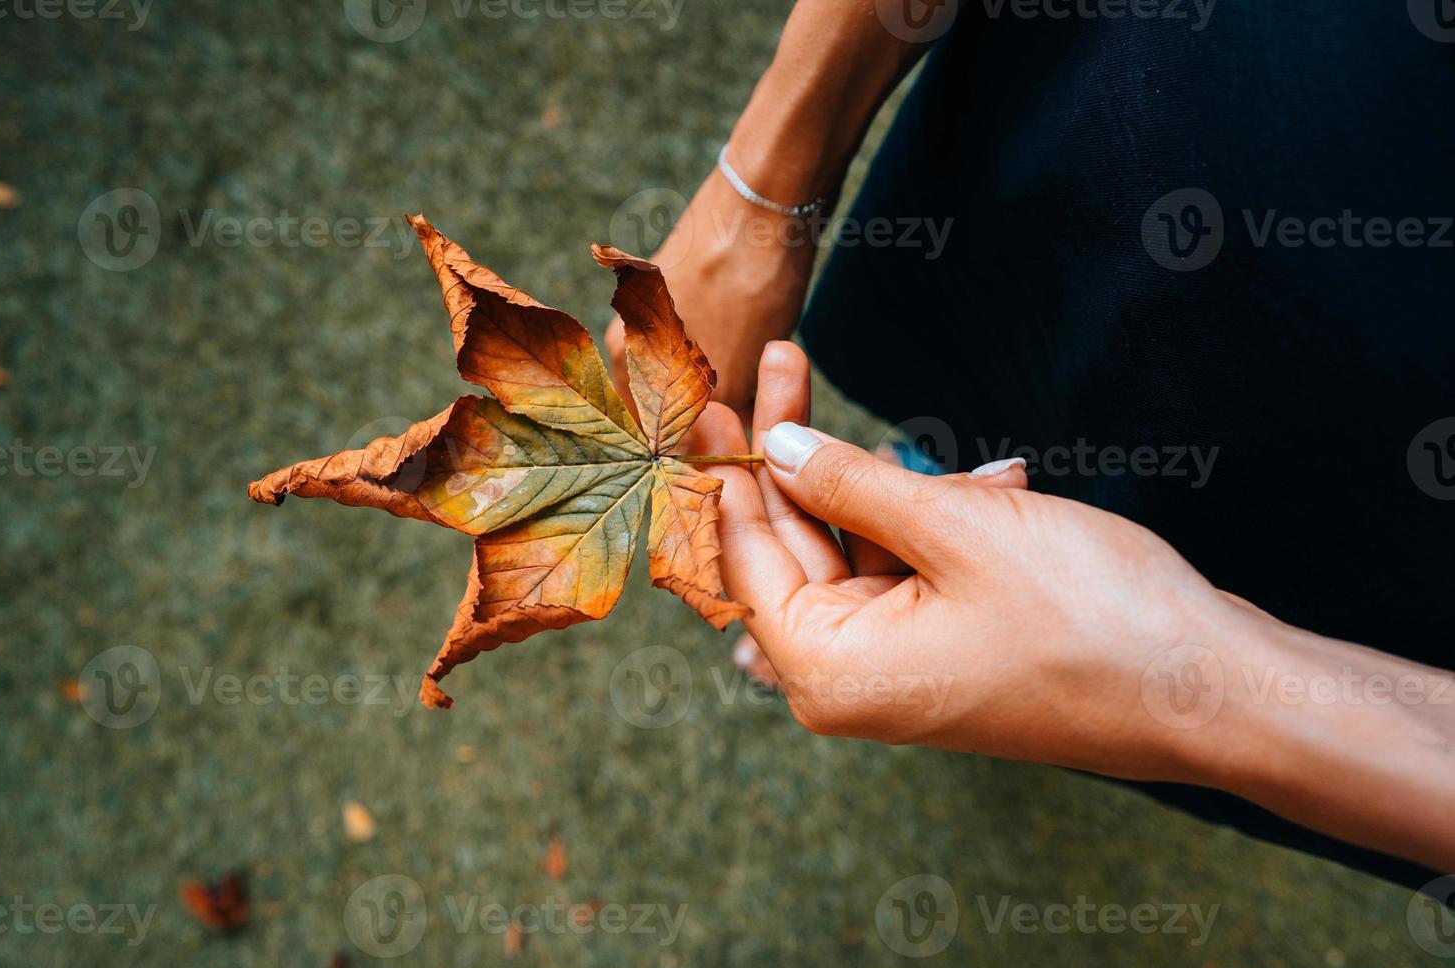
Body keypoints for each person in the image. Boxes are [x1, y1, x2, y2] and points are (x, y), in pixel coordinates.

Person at [606, 2, 1455, 886]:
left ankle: (962, 603)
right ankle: (921, 538)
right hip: (1087, 146)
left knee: (1128, 595)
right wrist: (765, 184)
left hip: (1374, 536)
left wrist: (1205, 687)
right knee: (987, 415)